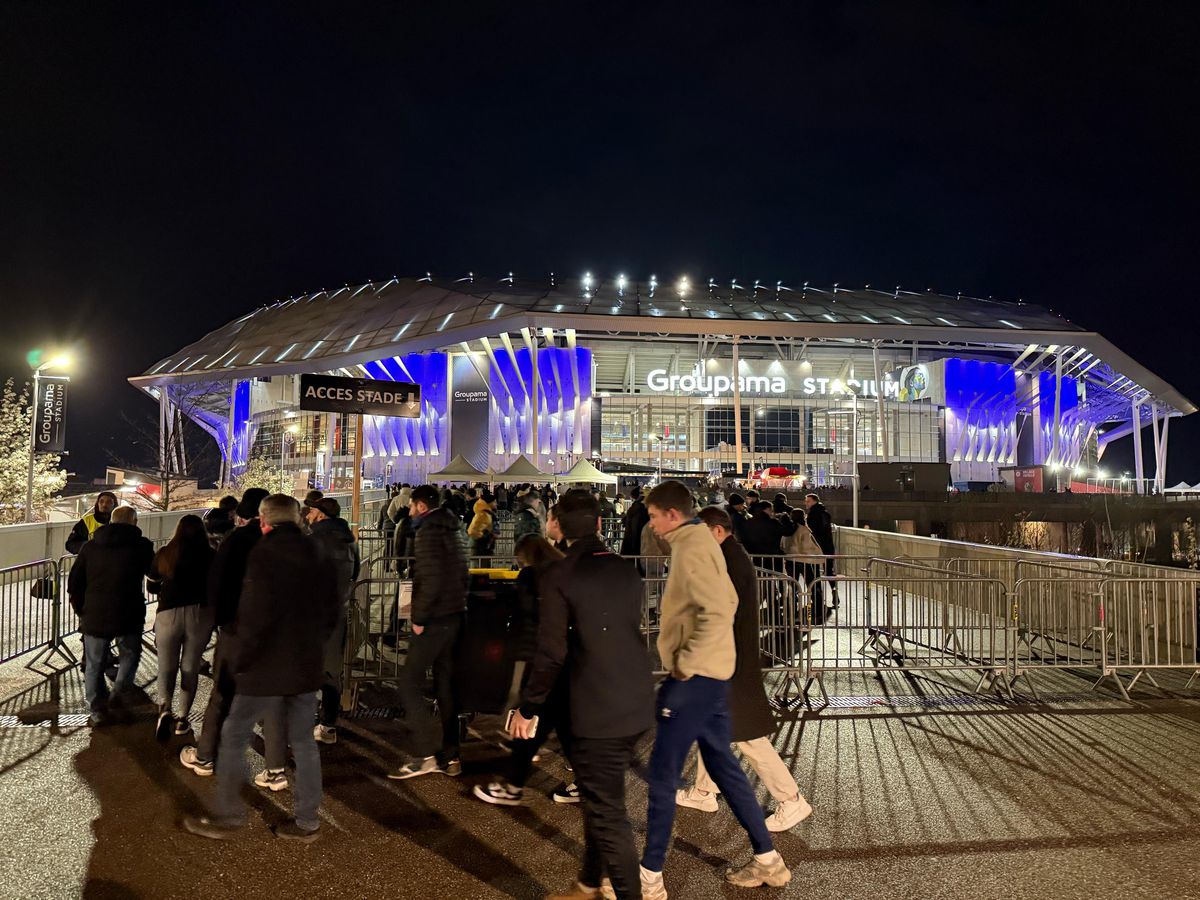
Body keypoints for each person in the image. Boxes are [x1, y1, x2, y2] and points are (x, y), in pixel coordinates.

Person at [639, 481, 790, 897]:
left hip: (694, 678)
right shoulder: (702, 546)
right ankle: (768, 860)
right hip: (712, 674)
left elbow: (719, 605)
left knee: (663, 775)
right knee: (724, 768)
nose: (651, 526)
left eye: (653, 516)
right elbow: (724, 600)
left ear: (672, 514)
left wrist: (685, 662)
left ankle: (648, 880)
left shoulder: (689, 547)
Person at [510, 489, 654, 900]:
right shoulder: (624, 569)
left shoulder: (560, 574)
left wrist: (528, 707)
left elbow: (551, 650)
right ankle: (589, 882)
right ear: (596, 524)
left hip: (596, 705)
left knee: (609, 816)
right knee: (598, 799)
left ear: (559, 525)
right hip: (634, 695)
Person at [182, 494, 339, 842]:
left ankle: (227, 814)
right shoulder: (318, 552)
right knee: (303, 743)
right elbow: (331, 611)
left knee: (235, 733)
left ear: (265, 522)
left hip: (264, 667)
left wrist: (240, 659)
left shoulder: (264, 554)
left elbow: (255, 615)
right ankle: (307, 821)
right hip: (304, 665)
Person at [676, 507, 813, 832]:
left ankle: (791, 800)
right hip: (729, 660)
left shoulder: (727, 563)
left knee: (748, 738)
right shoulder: (730, 558)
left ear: (717, 531)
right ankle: (704, 791)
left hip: (727, 663)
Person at [472, 533, 577, 807]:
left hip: (540, 656)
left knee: (532, 712)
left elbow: (524, 614)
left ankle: (512, 782)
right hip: (565, 657)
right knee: (559, 721)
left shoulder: (530, 576)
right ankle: (520, 780)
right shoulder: (563, 571)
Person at [180, 487, 275, 778]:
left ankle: (206, 756)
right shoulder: (282, 543)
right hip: (270, 632)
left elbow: (217, 585)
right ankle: (276, 767)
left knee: (222, 692)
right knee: (270, 696)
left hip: (236, 628)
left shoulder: (237, 542)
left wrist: (221, 624)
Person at [388, 484, 469, 779]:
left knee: (408, 682)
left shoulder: (428, 531)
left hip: (435, 619)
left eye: (411, 506)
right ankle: (451, 754)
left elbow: (429, 577)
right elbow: (462, 572)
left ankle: (426, 753)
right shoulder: (454, 528)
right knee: (445, 685)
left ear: (421, 506)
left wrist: (418, 617)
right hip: (455, 614)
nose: (409, 511)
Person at [68, 505, 155, 726]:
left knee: (94, 664)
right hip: (130, 611)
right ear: (134, 522)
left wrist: (81, 608)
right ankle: (118, 695)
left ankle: (97, 710)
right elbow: (154, 574)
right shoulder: (142, 546)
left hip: (95, 613)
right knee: (130, 655)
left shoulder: (91, 546)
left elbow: (75, 581)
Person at [148, 514, 216, 741]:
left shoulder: (166, 553)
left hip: (168, 613)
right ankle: (183, 718)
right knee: (190, 666)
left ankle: (164, 708)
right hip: (200, 613)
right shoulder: (210, 555)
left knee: (166, 667)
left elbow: (152, 585)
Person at [308, 497, 360, 744]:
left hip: (312, 613)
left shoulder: (313, 540)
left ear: (320, 515)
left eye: (311, 511)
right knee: (332, 669)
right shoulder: (350, 541)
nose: (307, 514)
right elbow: (356, 573)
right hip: (338, 611)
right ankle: (328, 724)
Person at [803, 493, 838, 607]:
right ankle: (834, 590)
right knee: (829, 570)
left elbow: (813, 531)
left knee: (815, 572)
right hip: (828, 546)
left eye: (808, 501)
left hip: (816, 546)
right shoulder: (825, 513)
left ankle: (818, 598)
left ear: (814, 501)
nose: (806, 503)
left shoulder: (812, 515)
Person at [65, 490, 118, 555]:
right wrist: (89, 547)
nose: (104, 504)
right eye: (101, 501)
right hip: (91, 563)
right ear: (97, 503)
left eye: (109, 502)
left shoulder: (119, 522)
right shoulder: (86, 521)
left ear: (114, 504)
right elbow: (71, 544)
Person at [619, 488, 649, 557]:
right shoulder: (643, 509)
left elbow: (624, 521)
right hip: (639, 546)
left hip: (630, 547)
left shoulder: (634, 508)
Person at [467, 494, 496, 558]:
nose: (496, 504)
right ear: (489, 503)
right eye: (494, 502)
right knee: (479, 566)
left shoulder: (487, 513)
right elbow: (473, 531)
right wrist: (486, 537)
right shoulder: (483, 514)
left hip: (482, 547)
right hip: (479, 548)